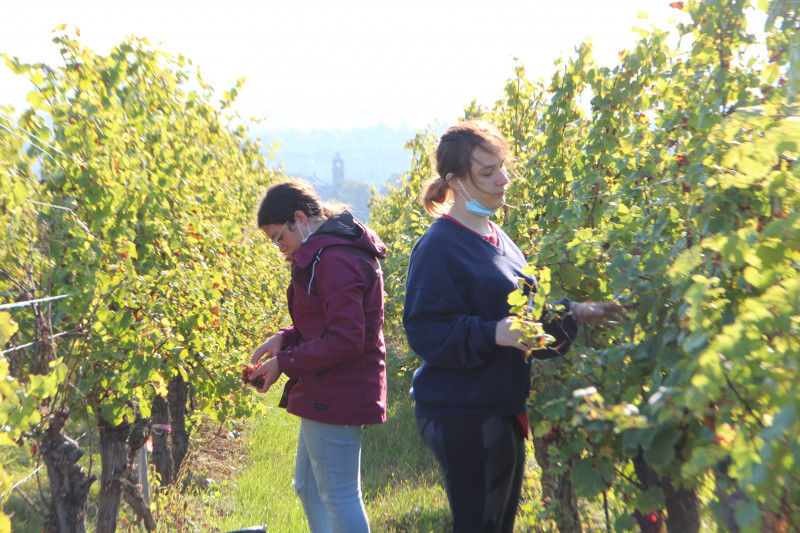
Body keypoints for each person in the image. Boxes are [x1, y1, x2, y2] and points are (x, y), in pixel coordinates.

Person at [402, 120, 623, 533]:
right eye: (487, 172)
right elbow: (423, 330)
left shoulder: (496, 235)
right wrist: (492, 333)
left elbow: (523, 315)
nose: (503, 180)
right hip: (462, 411)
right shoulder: (439, 246)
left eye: (502, 167)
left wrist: (574, 311)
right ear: (455, 182)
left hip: (498, 405)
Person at [249, 179, 387, 533]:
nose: (279, 247)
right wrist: (284, 339)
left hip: (338, 391)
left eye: (279, 236)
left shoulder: (335, 259)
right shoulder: (328, 252)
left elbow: (346, 339)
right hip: (329, 388)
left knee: (340, 496)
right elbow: (323, 322)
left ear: (300, 218)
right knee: (309, 490)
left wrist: (284, 364)